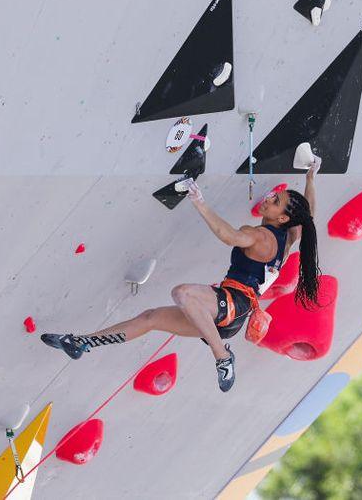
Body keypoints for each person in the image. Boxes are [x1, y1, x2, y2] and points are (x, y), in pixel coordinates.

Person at [40, 159, 321, 392]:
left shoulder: (259, 236)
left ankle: (222, 357)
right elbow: (308, 217)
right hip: (230, 316)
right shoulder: (288, 238)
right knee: (151, 319)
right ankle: (82, 343)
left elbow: (228, 236)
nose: (269, 198)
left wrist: (199, 201)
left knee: (182, 293)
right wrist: (310, 179)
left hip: (231, 304)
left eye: (275, 201)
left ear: (282, 217)